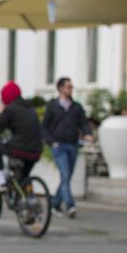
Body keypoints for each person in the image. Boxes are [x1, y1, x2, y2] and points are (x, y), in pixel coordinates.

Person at [42, 77, 93, 218]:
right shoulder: (53, 106)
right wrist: (51, 142)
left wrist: (88, 134)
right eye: (68, 87)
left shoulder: (76, 107)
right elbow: (44, 127)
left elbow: (83, 123)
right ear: (60, 88)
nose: (71, 89)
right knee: (65, 175)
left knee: (67, 177)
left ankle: (54, 204)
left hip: (73, 145)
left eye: (71, 87)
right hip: (59, 146)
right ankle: (70, 205)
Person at [0, 80, 43, 192]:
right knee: (21, 180)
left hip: (20, 149)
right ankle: (27, 198)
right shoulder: (30, 108)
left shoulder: (10, 109)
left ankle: (1, 181)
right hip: (36, 151)